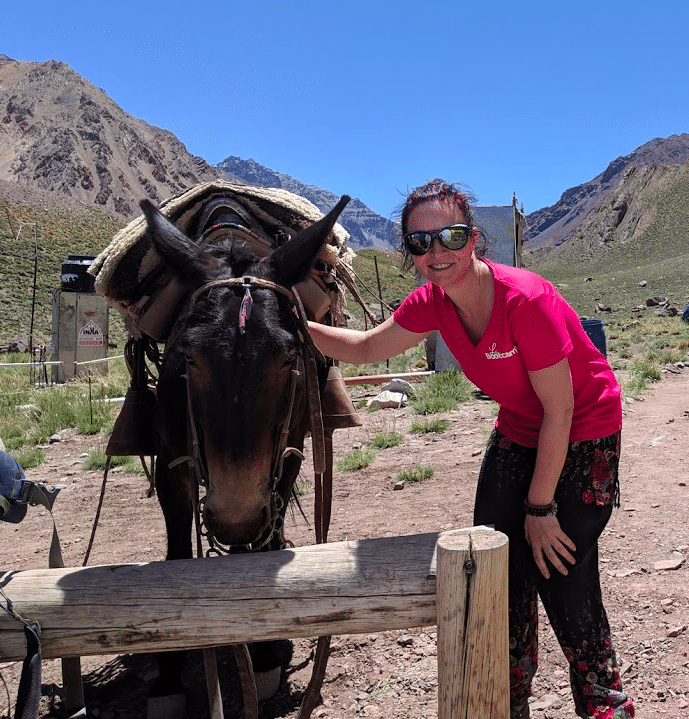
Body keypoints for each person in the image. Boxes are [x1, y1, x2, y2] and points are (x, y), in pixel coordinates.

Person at [307, 179, 635, 719]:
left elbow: (562, 410)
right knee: (492, 566)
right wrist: (292, 319)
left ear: (473, 238)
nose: (437, 252)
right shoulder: (433, 304)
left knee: (562, 573)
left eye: (450, 236)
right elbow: (366, 347)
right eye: (420, 242)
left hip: (583, 429)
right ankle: (504, 703)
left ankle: (606, 705)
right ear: (408, 251)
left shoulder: (525, 300)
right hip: (519, 428)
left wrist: (540, 506)